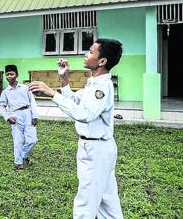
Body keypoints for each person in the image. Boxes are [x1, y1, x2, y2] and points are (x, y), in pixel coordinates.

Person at [29, 38, 124, 219]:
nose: (85, 54)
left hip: (97, 150)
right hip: (95, 147)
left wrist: (51, 92)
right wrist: (64, 80)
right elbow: (75, 101)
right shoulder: (93, 83)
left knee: (86, 203)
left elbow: (85, 113)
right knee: (106, 200)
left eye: (90, 51)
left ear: (102, 61)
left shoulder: (102, 86)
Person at [0, 64, 38, 171]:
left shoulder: (25, 88)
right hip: (15, 116)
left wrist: (35, 116)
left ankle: (24, 155)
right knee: (18, 141)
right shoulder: (5, 92)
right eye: (7, 74)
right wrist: (7, 117)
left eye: (12, 74)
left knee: (32, 140)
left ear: (17, 75)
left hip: (28, 114)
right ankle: (19, 163)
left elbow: (32, 101)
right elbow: (1, 106)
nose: (9, 76)